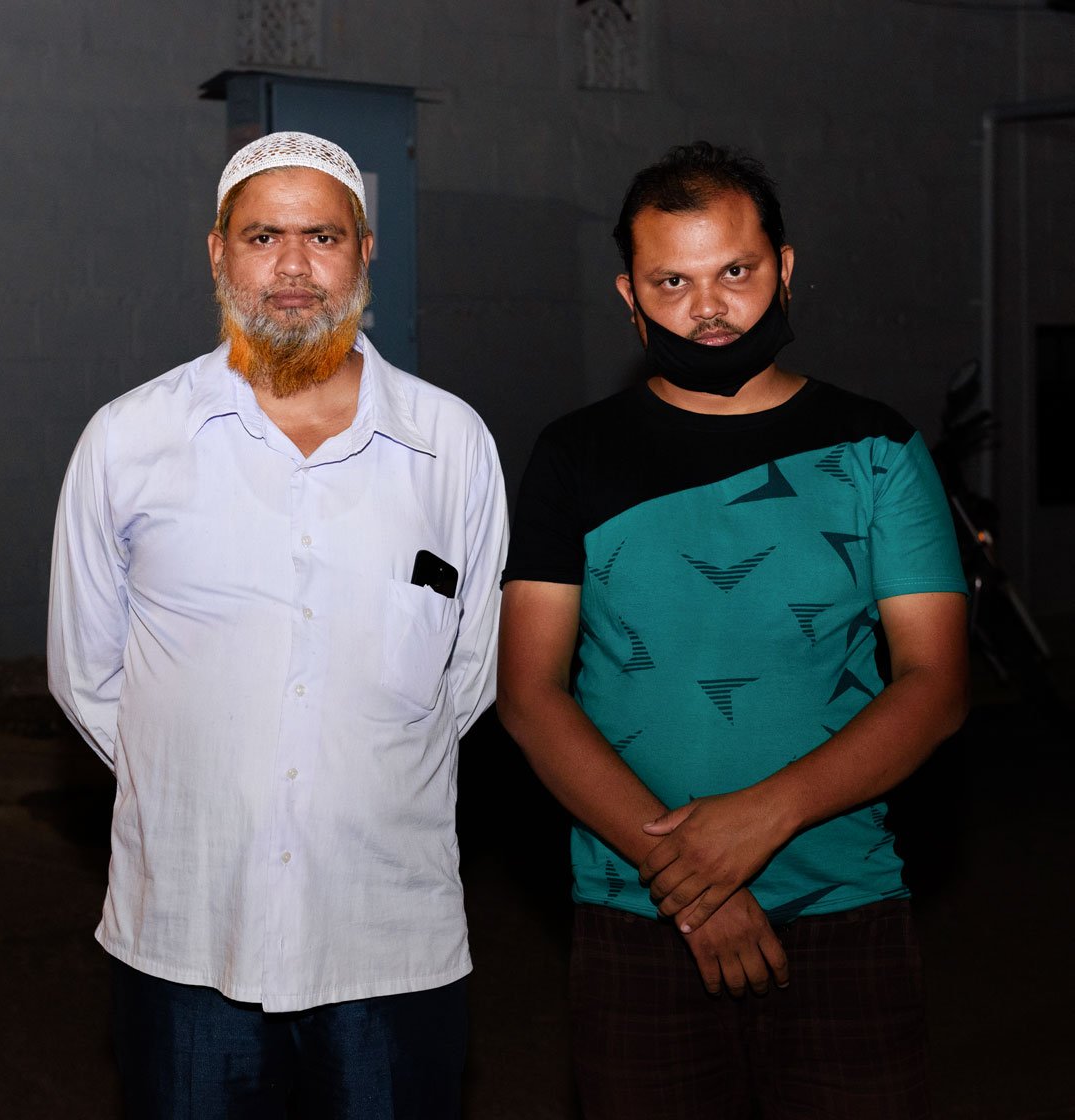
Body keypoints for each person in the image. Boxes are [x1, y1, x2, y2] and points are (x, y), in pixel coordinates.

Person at [497, 141, 969, 1119]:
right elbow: (529, 694)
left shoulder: (877, 450)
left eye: (733, 273)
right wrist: (693, 882)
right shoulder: (572, 454)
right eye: (671, 280)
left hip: (842, 899)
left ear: (783, 270)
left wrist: (765, 814)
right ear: (628, 293)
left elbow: (933, 685)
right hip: (636, 908)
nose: (705, 306)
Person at [48, 131, 508, 1119]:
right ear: (217, 252)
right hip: (185, 941)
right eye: (263, 236)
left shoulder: (450, 445)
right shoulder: (130, 442)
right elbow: (88, 677)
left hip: (388, 945)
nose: (293, 268)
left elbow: (466, 678)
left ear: (364, 251)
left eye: (321, 236)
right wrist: (204, 781)